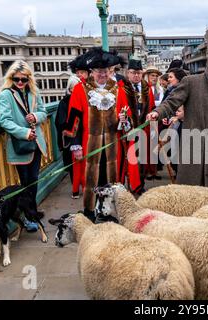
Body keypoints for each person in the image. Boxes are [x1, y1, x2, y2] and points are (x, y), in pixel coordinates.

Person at [147, 51, 208, 187]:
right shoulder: (191, 82)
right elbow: (171, 102)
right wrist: (157, 113)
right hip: (193, 148)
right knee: (188, 196)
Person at [63, 47, 123, 221]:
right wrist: (75, 145)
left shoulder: (117, 89)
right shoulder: (80, 89)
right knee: (91, 180)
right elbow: (73, 120)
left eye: (105, 71)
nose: (102, 74)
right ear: (92, 71)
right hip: (89, 144)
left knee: (110, 179)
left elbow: (124, 115)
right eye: (98, 71)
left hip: (112, 144)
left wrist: (124, 121)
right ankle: (90, 211)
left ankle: (107, 211)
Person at [0, 60, 48, 227]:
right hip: (20, 145)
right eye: (16, 79)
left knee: (33, 180)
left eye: (24, 79)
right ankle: (28, 217)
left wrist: (36, 116)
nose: (20, 82)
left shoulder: (34, 92)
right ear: (11, 78)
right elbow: (5, 121)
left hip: (36, 144)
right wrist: (25, 132)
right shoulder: (6, 94)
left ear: (29, 79)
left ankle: (31, 213)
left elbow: (43, 112)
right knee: (25, 182)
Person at [119, 59, 156, 188]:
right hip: (128, 129)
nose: (136, 75)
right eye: (133, 73)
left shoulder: (147, 88)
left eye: (139, 73)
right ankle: (130, 185)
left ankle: (141, 184)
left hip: (144, 128)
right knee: (129, 158)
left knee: (143, 158)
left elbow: (151, 108)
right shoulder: (122, 88)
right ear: (128, 73)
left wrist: (152, 127)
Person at [55, 75, 80, 196]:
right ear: (69, 89)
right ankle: (75, 185)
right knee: (72, 164)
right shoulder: (64, 103)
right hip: (69, 138)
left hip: (81, 135)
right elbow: (61, 121)